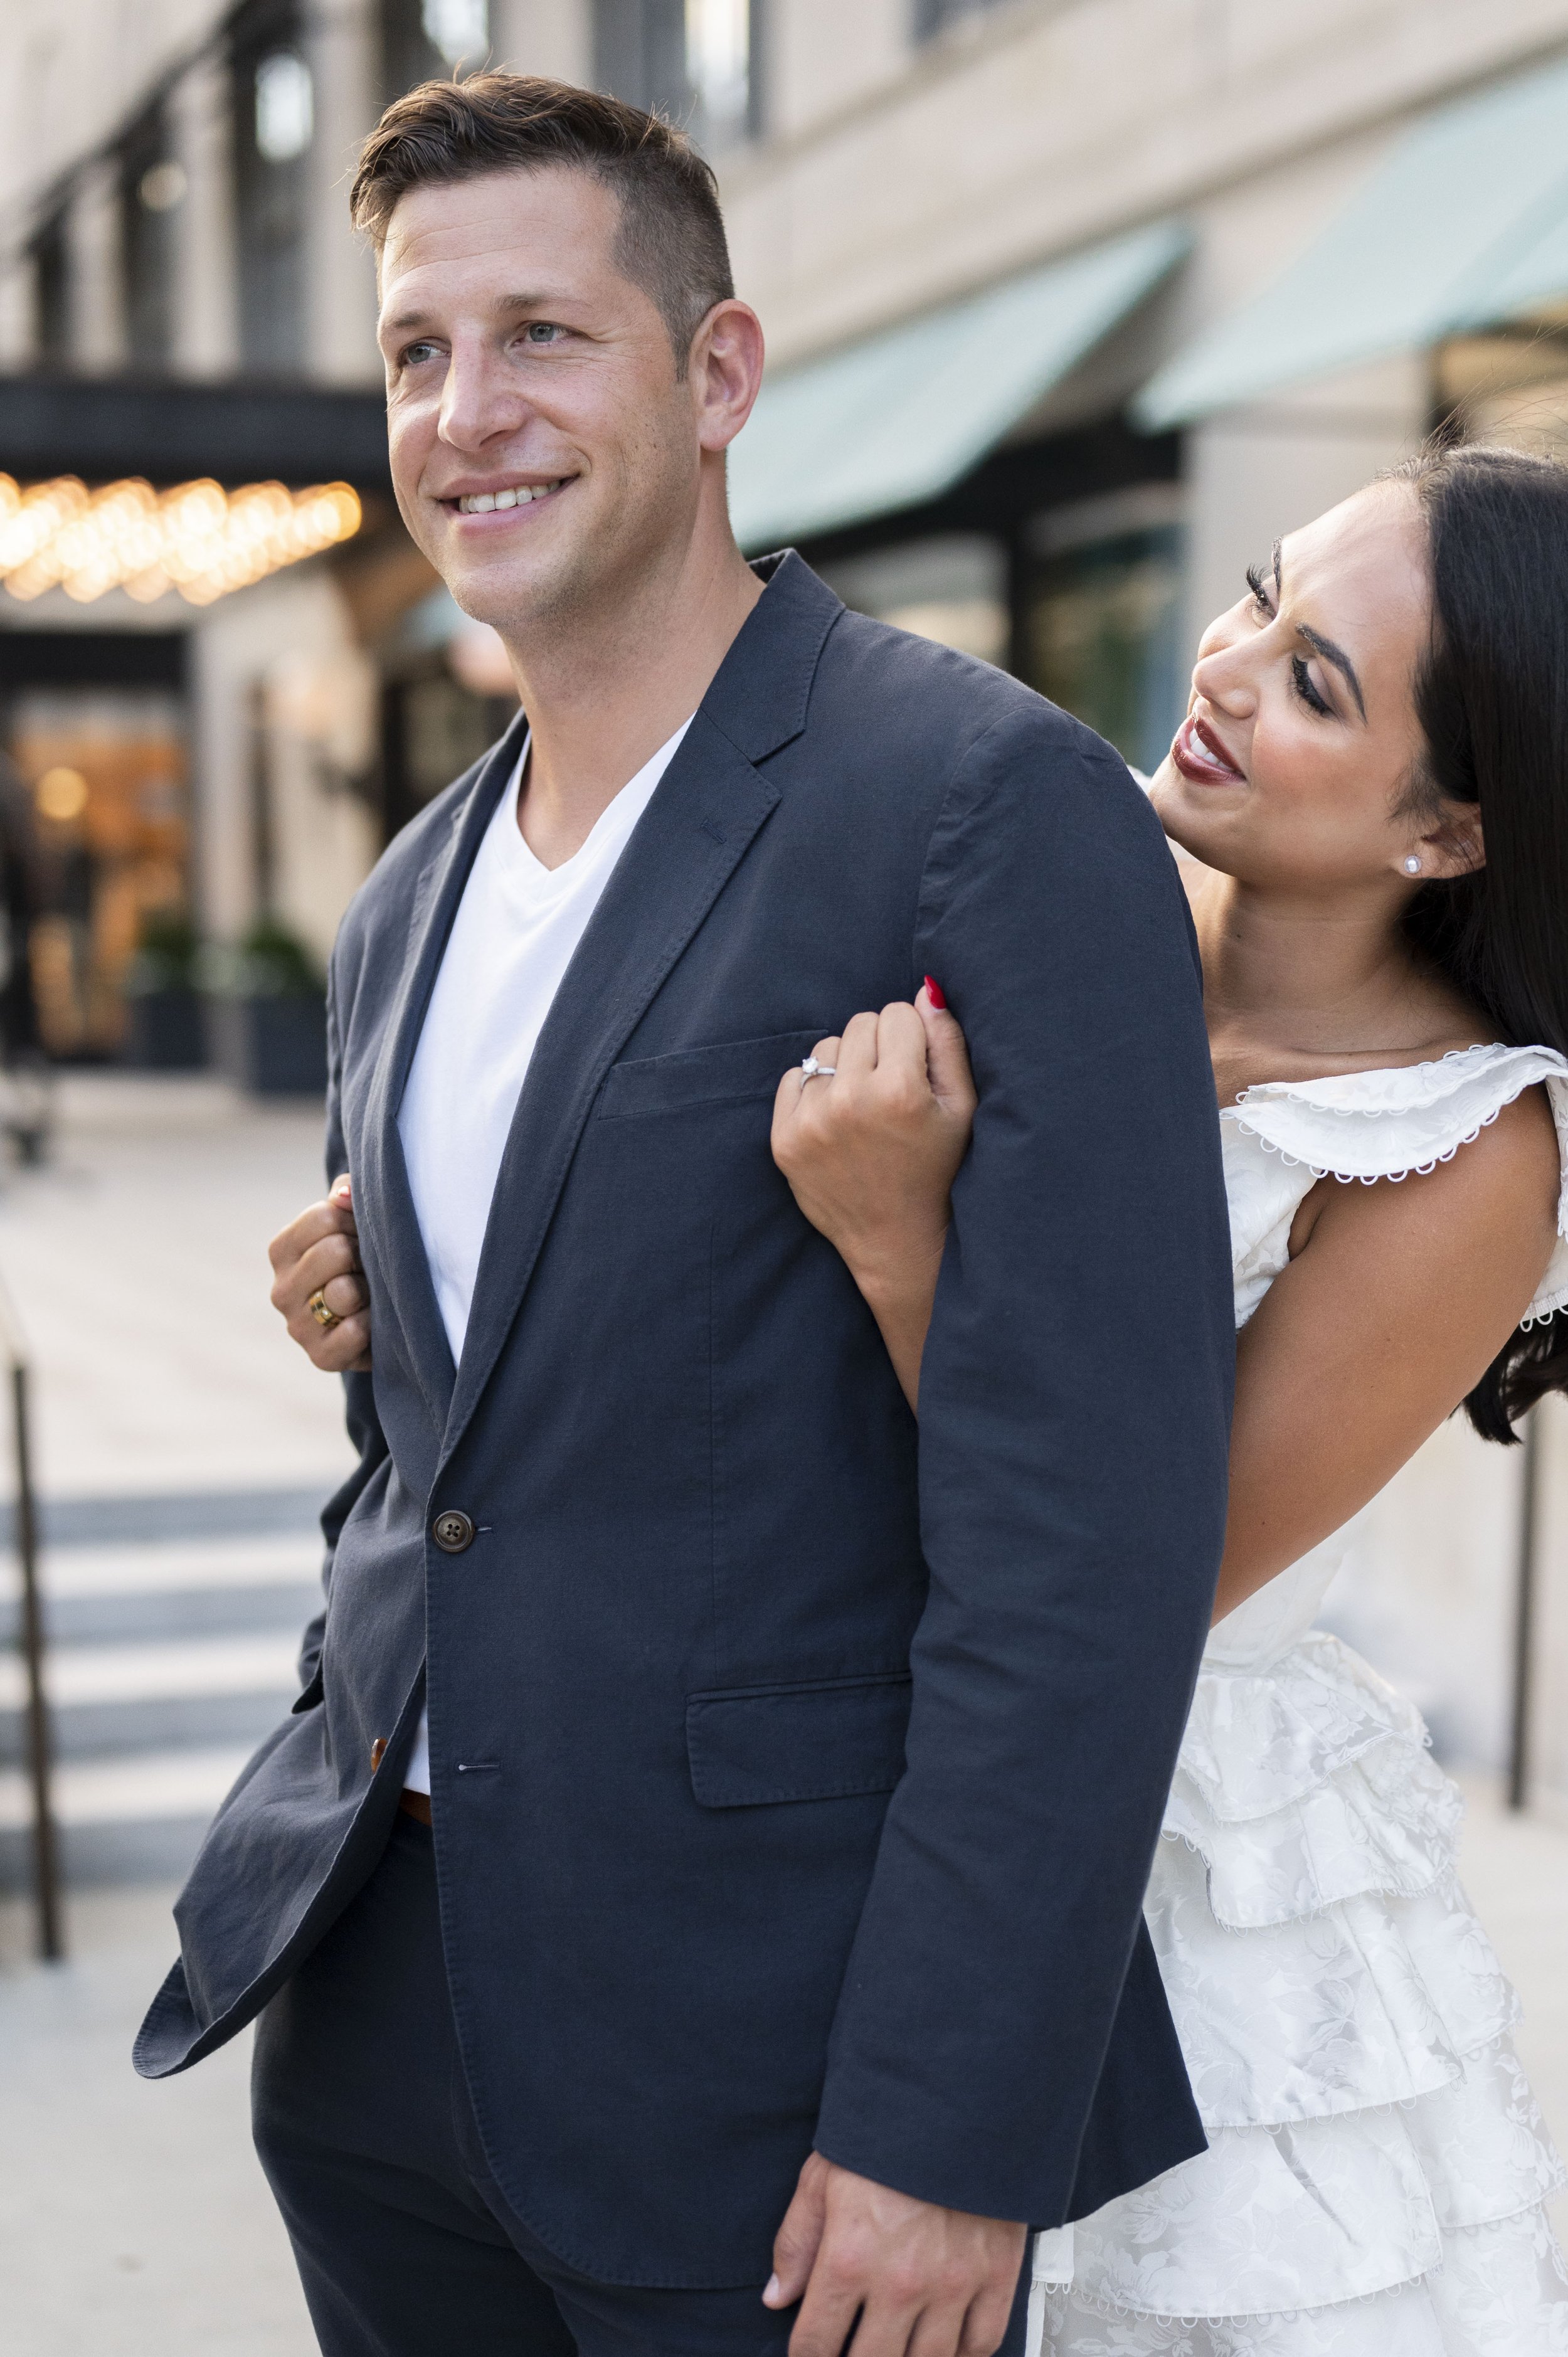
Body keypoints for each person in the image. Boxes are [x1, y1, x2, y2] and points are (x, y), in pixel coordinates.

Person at [132, 73, 1234, 2357]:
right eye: (420, 353)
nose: (469, 413)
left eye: (544, 333)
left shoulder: (978, 806)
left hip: (783, 2080)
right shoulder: (399, 901)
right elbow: (462, 1456)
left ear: (716, 374)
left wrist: (952, 2129)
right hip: (380, 2044)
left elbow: (1089, 1541)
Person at [771, 442, 1568, 2353]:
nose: (1218, 668)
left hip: (1173, 1861)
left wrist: (901, 1246)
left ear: (1449, 831)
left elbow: (1149, 1564)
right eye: (1255, 596)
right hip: (839, 1747)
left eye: (1313, 683)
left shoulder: (1459, 1150)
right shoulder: (1051, 910)